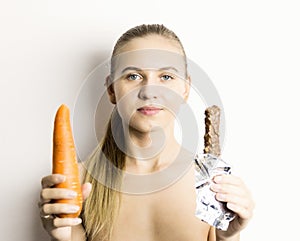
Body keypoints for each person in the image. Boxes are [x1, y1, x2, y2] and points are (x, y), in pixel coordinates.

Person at [39, 24, 254, 241]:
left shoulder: (213, 186)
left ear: (185, 88)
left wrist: (228, 237)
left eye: (166, 77)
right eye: (133, 76)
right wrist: (62, 236)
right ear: (112, 90)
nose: (150, 91)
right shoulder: (78, 184)